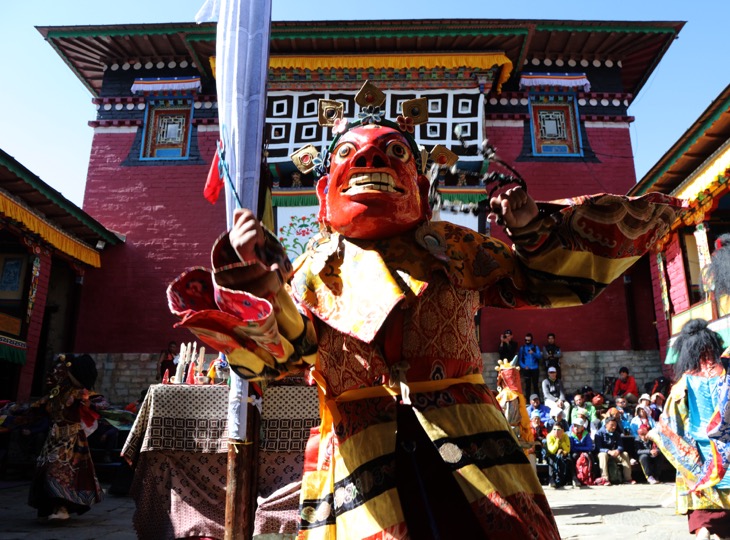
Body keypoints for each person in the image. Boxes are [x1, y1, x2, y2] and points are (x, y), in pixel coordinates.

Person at [167, 82, 679, 539]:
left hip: (470, 445)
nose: (370, 164)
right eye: (349, 154)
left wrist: (531, 231)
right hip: (355, 454)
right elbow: (282, 357)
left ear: (424, 186)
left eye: (392, 153)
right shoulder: (309, 269)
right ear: (325, 190)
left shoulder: (460, 249)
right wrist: (262, 286)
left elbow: (554, 282)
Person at [651, 318, 730, 539]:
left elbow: (669, 421)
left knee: (704, 515)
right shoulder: (727, 374)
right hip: (727, 450)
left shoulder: (683, 382)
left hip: (700, 456)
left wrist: (662, 436)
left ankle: (704, 534)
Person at [27, 354, 104, 521]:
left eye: (60, 371)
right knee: (46, 472)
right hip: (52, 440)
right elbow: (36, 409)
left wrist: (88, 403)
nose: (54, 374)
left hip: (71, 439)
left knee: (57, 471)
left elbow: (102, 404)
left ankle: (62, 507)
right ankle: (55, 507)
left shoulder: (81, 393)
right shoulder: (56, 393)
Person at [594, 418, 633, 486]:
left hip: (614, 453)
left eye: (615, 425)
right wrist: (608, 451)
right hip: (602, 454)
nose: (614, 427)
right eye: (611, 425)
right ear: (606, 425)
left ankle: (628, 479)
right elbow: (598, 448)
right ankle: (605, 479)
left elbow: (621, 446)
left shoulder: (616, 433)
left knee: (625, 454)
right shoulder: (599, 433)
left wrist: (618, 450)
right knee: (603, 455)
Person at [568, 417, 594, 487]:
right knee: (573, 456)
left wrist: (581, 450)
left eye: (578, 426)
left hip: (584, 452)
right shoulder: (570, 434)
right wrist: (582, 449)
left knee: (590, 456)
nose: (576, 427)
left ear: (582, 427)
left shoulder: (586, 434)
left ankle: (589, 476)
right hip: (575, 452)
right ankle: (575, 477)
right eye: (575, 425)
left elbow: (589, 447)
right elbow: (572, 448)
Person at [545, 423, 572, 489]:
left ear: (562, 430)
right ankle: (551, 480)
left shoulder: (565, 436)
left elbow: (568, 449)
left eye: (558, 429)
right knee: (551, 460)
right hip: (551, 454)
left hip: (562, 453)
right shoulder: (549, 436)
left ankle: (565, 480)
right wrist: (557, 440)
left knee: (567, 459)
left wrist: (562, 445)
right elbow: (552, 450)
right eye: (554, 429)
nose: (556, 431)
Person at [518, 333, 542, 399]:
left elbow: (539, 356)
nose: (527, 341)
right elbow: (519, 359)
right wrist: (524, 366)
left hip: (535, 368)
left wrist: (533, 353)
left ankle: (538, 400)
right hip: (527, 369)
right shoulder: (522, 348)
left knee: (535, 385)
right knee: (527, 385)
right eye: (526, 340)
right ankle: (528, 400)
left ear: (531, 340)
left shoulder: (535, 347)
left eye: (529, 340)